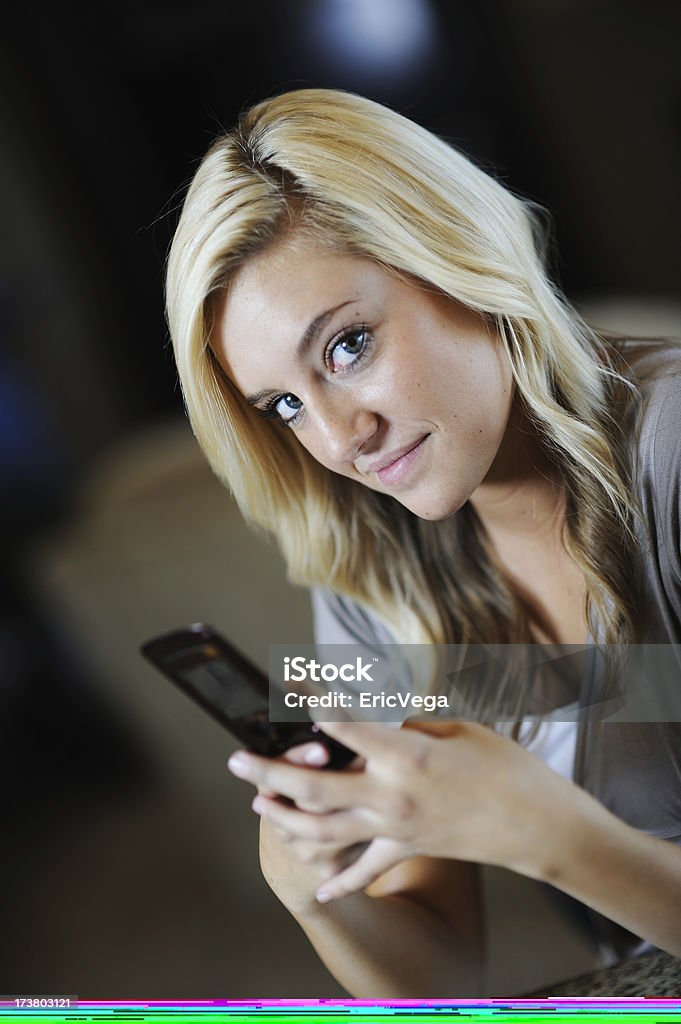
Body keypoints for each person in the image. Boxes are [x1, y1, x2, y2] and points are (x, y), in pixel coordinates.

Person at [165, 88, 681, 996]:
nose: (335, 440)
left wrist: (551, 835)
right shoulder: (376, 570)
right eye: (283, 405)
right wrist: (315, 891)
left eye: (349, 344)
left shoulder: (670, 449)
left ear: (458, 253)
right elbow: (435, 982)